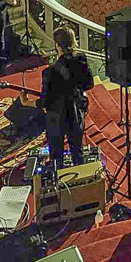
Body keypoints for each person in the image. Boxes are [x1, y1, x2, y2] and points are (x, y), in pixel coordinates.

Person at [38, 28, 94, 168]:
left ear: (57, 45)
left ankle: (58, 176)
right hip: (76, 112)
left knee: (56, 156)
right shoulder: (81, 60)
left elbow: (45, 102)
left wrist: (27, 102)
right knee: (77, 152)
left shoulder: (49, 72)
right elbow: (89, 84)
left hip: (57, 117)